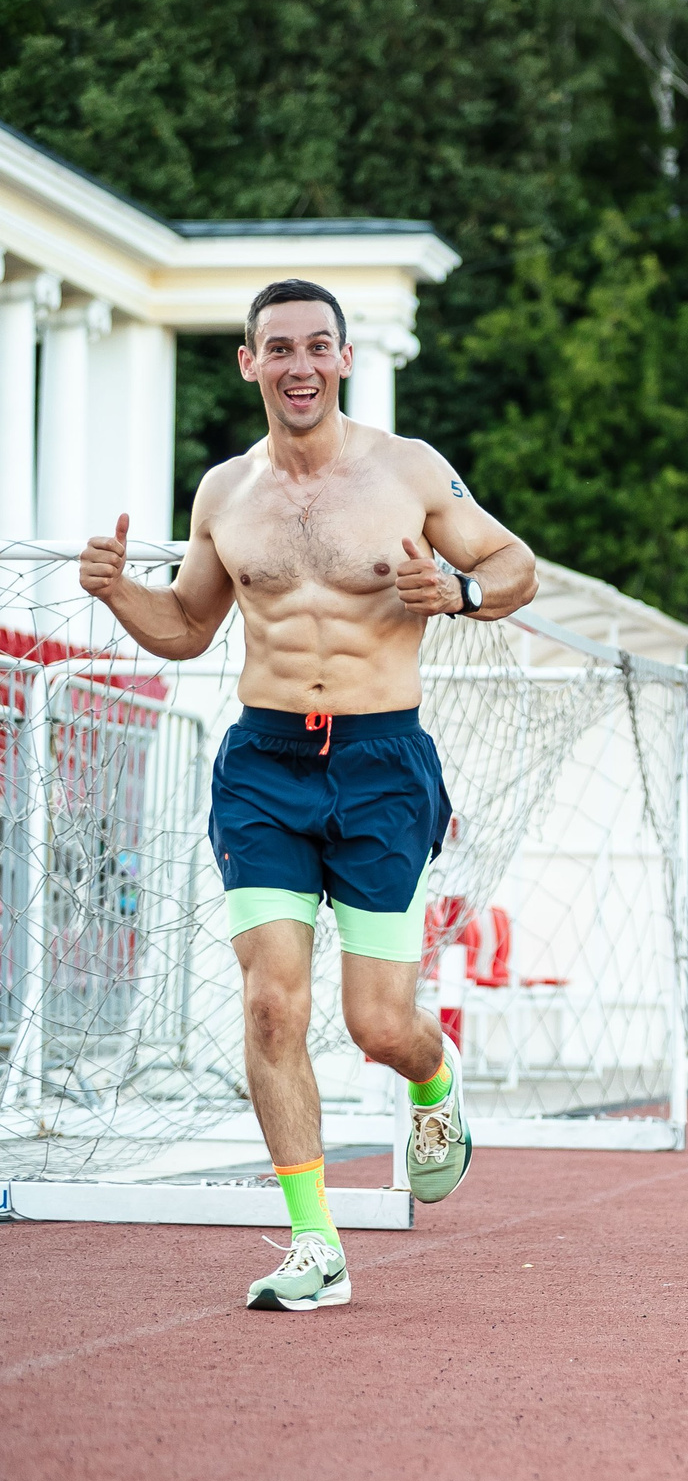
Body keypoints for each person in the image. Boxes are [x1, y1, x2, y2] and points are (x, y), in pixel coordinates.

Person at [78, 278, 537, 1312]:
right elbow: (186, 626)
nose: (299, 364)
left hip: (381, 764)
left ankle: (432, 1079)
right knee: (271, 1002)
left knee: (378, 1023)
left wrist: (459, 592)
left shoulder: (407, 469)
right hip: (265, 765)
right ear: (249, 362)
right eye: (278, 347)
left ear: (343, 359)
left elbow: (516, 565)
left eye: (317, 346)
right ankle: (315, 1241)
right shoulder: (223, 493)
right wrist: (117, 594)